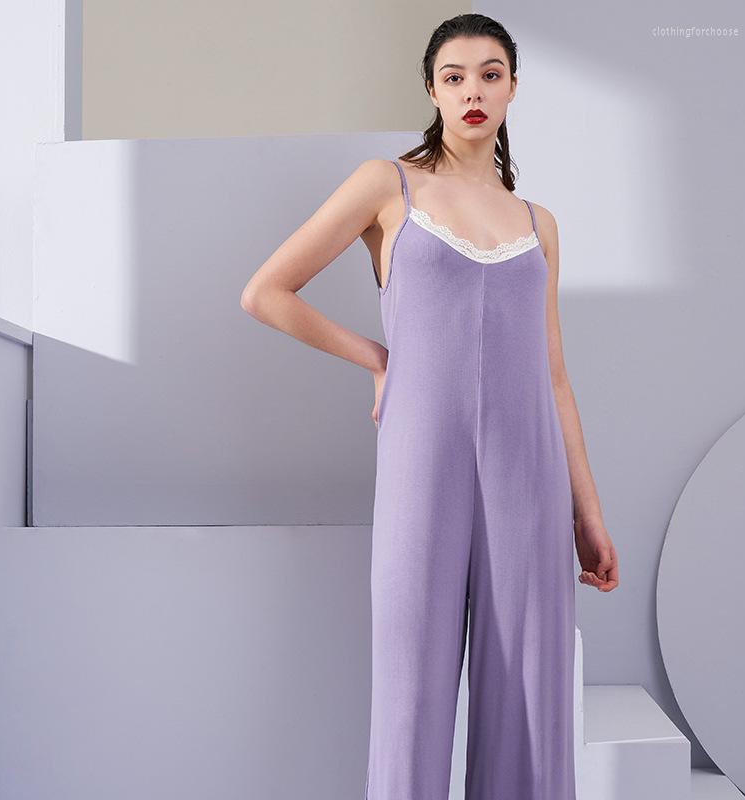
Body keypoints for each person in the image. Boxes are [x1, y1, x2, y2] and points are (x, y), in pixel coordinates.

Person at [241, 12, 618, 799]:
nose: (472, 90)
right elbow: (267, 292)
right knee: (410, 693)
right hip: (423, 458)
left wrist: (587, 513)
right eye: (455, 76)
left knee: (531, 695)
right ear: (432, 90)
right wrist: (378, 359)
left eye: (489, 74)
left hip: (530, 472)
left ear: (512, 88)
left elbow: (554, 376)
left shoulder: (539, 225)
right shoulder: (388, 185)